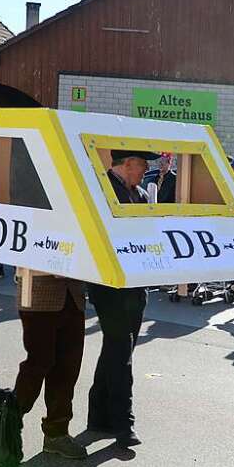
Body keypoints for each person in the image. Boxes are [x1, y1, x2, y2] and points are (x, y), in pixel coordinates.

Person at [88, 149, 158, 449]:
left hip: (135, 285)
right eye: (142, 165)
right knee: (121, 350)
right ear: (127, 164)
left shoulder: (140, 194)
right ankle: (123, 424)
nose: (145, 171)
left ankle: (98, 416)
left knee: (118, 347)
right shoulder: (101, 189)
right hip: (109, 285)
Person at [13, 274, 87, 459]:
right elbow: (18, 253)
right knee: (38, 365)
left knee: (68, 369)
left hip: (73, 297)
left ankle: (57, 433)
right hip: (37, 295)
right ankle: (4, 425)